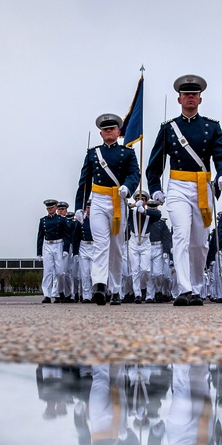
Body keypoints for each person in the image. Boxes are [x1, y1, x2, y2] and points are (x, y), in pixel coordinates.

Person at [145, 74, 222, 306]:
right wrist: (155, 188)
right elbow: (154, 163)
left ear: (200, 100)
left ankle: (196, 287)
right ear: (179, 99)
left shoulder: (212, 127)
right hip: (178, 187)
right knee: (181, 235)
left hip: (203, 187)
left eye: (194, 94)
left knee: (200, 243)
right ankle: (184, 289)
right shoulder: (168, 128)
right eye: (186, 94)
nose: (190, 98)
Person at [75, 113, 141, 305]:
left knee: (117, 247)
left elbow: (134, 174)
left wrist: (128, 187)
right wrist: (80, 206)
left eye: (112, 129)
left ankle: (115, 289)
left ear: (118, 132)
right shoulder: (93, 154)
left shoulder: (128, 153)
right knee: (101, 244)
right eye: (105, 130)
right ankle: (100, 286)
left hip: (118, 200)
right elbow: (84, 183)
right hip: (98, 200)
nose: (108, 132)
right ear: (101, 133)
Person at [36, 199, 68, 303]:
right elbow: (40, 237)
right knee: (48, 271)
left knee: (59, 272)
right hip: (47, 245)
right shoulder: (43, 220)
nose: (50, 209)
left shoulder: (62, 220)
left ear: (55, 208)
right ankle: (47, 295)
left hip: (58, 244)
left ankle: (59, 292)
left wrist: (66, 249)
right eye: (48, 208)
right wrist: (39, 253)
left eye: (51, 207)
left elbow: (66, 235)